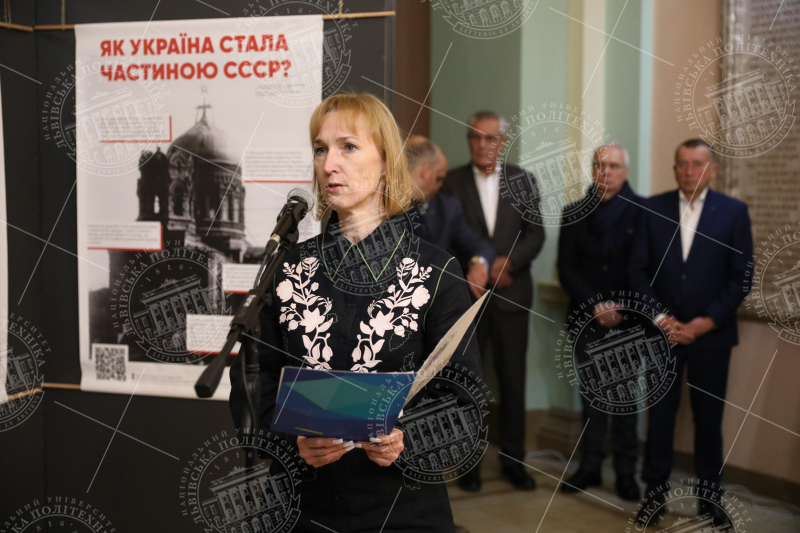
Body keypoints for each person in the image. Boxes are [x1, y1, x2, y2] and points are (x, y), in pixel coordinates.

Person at [229, 94, 482, 532]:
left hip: (403, 509)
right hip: (300, 506)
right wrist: (292, 442)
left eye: (348, 146)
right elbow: (253, 383)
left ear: (385, 162)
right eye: (320, 149)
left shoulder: (436, 270)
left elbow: (464, 404)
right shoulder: (288, 266)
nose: (329, 165)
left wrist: (406, 440)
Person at [629, 139, 753, 528]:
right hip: (661, 335)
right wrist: (662, 319)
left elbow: (741, 277)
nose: (689, 170)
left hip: (711, 337)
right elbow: (636, 271)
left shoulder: (733, 212)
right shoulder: (652, 208)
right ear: (674, 168)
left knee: (708, 422)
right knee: (659, 420)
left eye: (697, 163)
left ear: (712, 169)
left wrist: (705, 322)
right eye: (682, 163)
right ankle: (654, 496)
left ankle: (710, 499)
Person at [442, 110, 545, 491]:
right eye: (475, 137)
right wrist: (477, 265)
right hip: (467, 298)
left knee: (512, 381)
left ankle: (514, 462)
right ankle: (468, 463)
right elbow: (446, 240)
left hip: (512, 295)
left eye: (490, 138)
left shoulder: (523, 180)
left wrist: (508, 262)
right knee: (468, 383)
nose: (482, 145)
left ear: (503, 142)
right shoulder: (450, 182)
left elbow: (535, 234)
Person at [557, 143, 643, 501]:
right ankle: (590, 466)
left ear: (625, 171)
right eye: (598, 164)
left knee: (625, 400)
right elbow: (566, 267)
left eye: (613, 165)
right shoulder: (573, 213)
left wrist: (620, 307)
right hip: (588, 319)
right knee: (592, 398)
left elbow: (645, 267)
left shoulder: (643, 213)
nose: (605, 171)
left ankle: (626, 473)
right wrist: (596, 305)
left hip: (629, 321)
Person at [404, 135, 495, 299]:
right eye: (438, 179)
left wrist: (479, 262)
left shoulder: (447, 208)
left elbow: (479, 246)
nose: (439, 186)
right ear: (425, 171)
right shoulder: (382, 206)